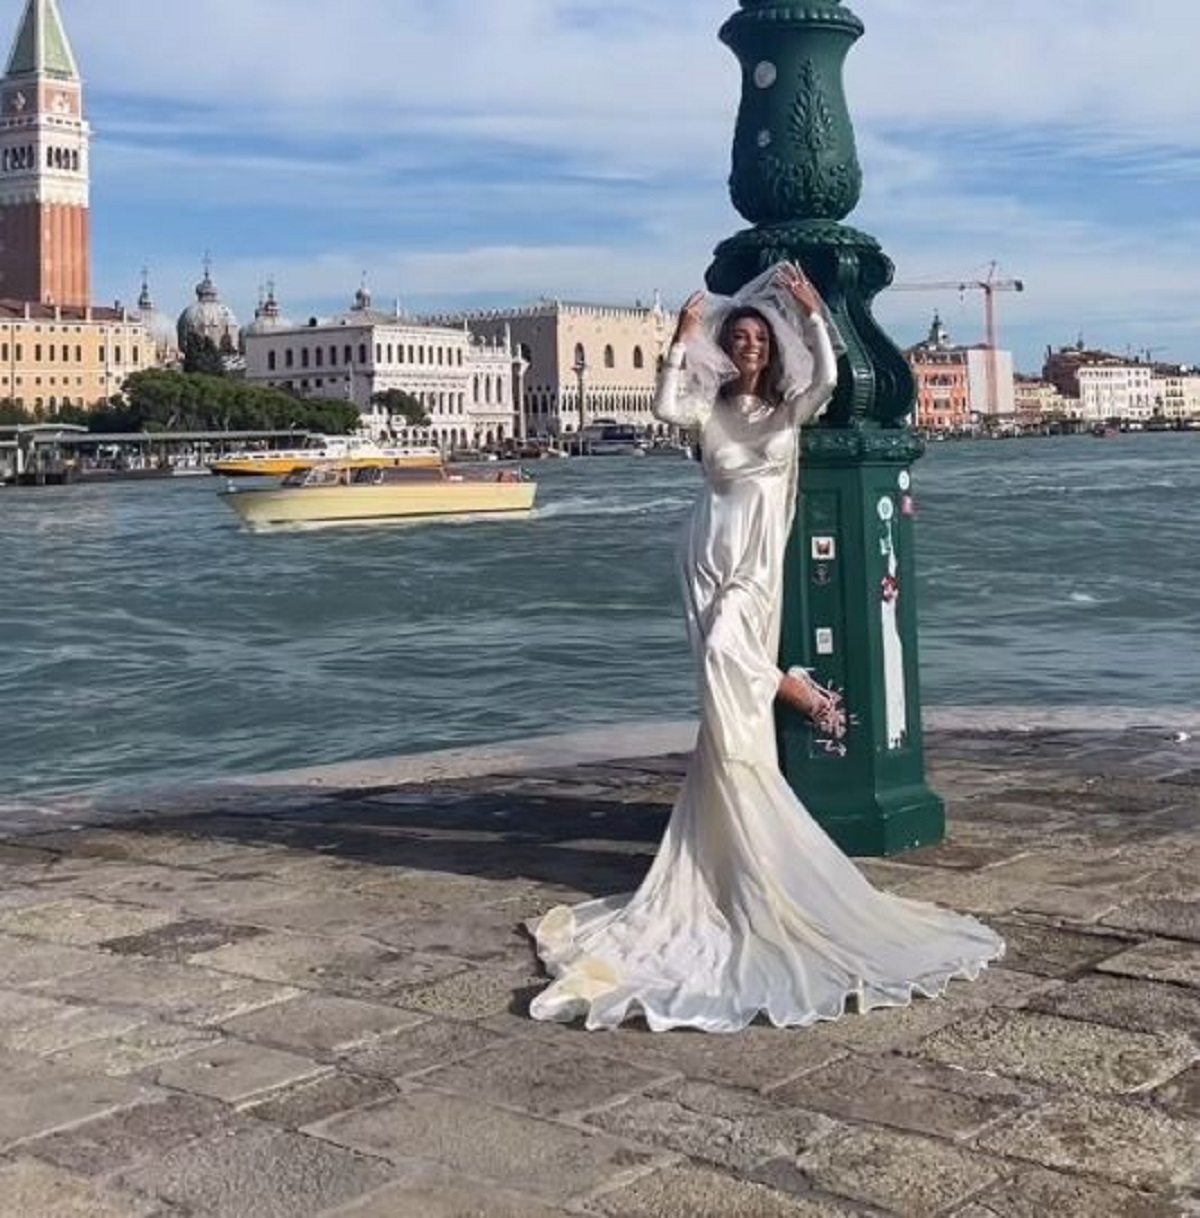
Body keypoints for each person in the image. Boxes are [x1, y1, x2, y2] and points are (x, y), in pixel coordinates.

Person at [528, 262, 1003, 1032]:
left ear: (773, 349)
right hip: (704, 553)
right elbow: (666, 406)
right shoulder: (710, 407)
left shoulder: (790, 408)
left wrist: (814, 313)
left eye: (758, 339)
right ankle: (731, 836)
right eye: (739, 338)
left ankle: (788, 706)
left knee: (728, 655)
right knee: (723, 708)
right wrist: (682, 337)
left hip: (755, 560)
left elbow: (831, 377)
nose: (749, 346)